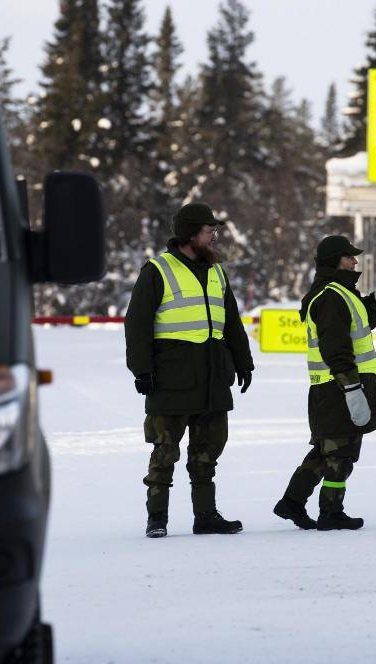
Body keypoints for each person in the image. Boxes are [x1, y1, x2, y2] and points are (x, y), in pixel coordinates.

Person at [125, 202, 255, 538]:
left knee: (206, 455)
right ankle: (157, 519)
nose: (214, 236)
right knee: (164, 452)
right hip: (171, 380)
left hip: (213, 378)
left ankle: (206, 516)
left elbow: (232, 323)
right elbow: (137, 324)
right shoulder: (158, 270)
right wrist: (142, 370)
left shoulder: (217, 271)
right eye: (209, 230)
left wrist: (243, 363)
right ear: (190, 234)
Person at [273, 235, 376, 531]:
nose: (355, 262)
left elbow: (357, 325)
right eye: (349, 257)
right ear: (334, 262)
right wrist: (352, 388)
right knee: (340, 453)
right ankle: (331, 511)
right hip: (338, 387)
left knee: (326, 451)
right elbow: (336, 348)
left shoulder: (342, 293)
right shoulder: (331, 296)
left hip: (334, 387)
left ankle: (291, 502)